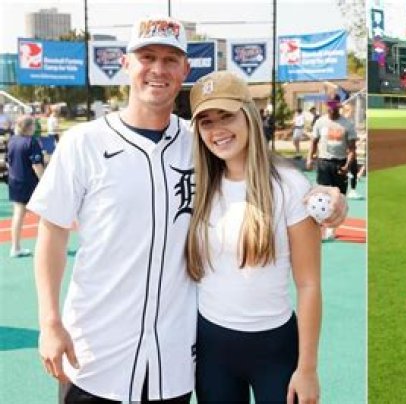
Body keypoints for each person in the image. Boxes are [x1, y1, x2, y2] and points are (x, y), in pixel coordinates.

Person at [28, 16, 346, 403]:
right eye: (147, 57)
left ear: (185, 70)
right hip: (96, 355)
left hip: (172, 363)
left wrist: (326, 194)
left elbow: (255, 167)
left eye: (170, 59)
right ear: (126, 64)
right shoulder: (83, 142)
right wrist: (49, 321)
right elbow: (52, 232)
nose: (158, 69)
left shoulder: (197, 143)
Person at [187, 70, 321, 404]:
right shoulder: (198, 184)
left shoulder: (289, 185)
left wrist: (307, 368)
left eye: (227, 116)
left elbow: (308, 284)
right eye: (206, 122)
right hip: (211, 346)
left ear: (248, 115)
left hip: (274, 347)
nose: (217, 130)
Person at [306, 98, 357, 241]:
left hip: (340, 163)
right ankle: (319, 229)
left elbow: (352, 149)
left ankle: (331, 229)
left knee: (338, 197)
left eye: (334, 107)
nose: (331, 110)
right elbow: (313, 142)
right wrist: (310, 158)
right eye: (330, 107)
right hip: (324, 162)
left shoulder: (347, 124)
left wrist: (347, 166)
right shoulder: (320, 122)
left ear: (339, 107)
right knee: (321, 196)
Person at [6, 115, 44, 257]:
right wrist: (45, 182)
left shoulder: (12, 141)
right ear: (29, 127)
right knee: (44, 214)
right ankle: (44, 246)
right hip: (30, 183)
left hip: (15, 181)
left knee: (18, 214)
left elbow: (8, 162)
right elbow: (36, 165)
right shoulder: (32, 142)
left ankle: (15, 247)